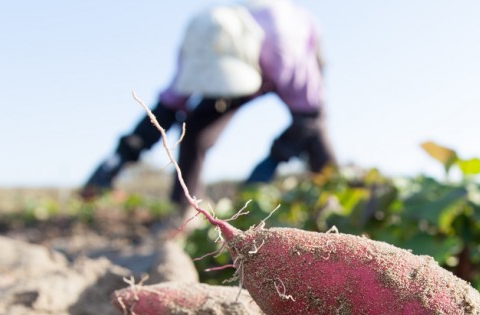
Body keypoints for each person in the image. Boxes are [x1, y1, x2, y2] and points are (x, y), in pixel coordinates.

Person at [82, 0, 337, 206]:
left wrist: (272, 161)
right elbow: (166, 110)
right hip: (241, 57)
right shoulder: (199, 46)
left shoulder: (287, 55)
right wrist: (116, 161)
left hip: (283, 54)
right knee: (194, 130)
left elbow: (309, 114)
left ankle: (337, 197)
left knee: (314, 134)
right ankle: (183, 208)